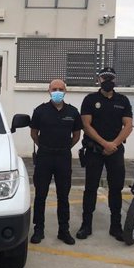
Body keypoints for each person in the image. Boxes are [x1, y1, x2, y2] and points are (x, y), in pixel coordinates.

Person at [76, 67, 133, 242]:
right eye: (104, 77)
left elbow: (128, 125)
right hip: (95, 150)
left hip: (115, 151)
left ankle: (116, 226)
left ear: (115, 80)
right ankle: (86, 225)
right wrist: (104, 144)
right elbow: (86, 125)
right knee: (90, 188)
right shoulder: (90, 99)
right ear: (98, 79)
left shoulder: (122, 100)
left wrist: (113, 144)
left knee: (116, 189)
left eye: (110, 77)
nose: (107, 80)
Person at [29, 79, 82, 245]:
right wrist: (44, 147)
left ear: (66, 91)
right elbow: (34, 133)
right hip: (44, 156)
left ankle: (63, 230)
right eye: (54, 89)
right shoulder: (40, 111)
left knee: (63, 195)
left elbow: (76, 135)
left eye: (60, 89)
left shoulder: (73, 112)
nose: (57, 91)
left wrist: (64, 147)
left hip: (63, 157)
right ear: (49, 91)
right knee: (40, 195)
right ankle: (38, 229)